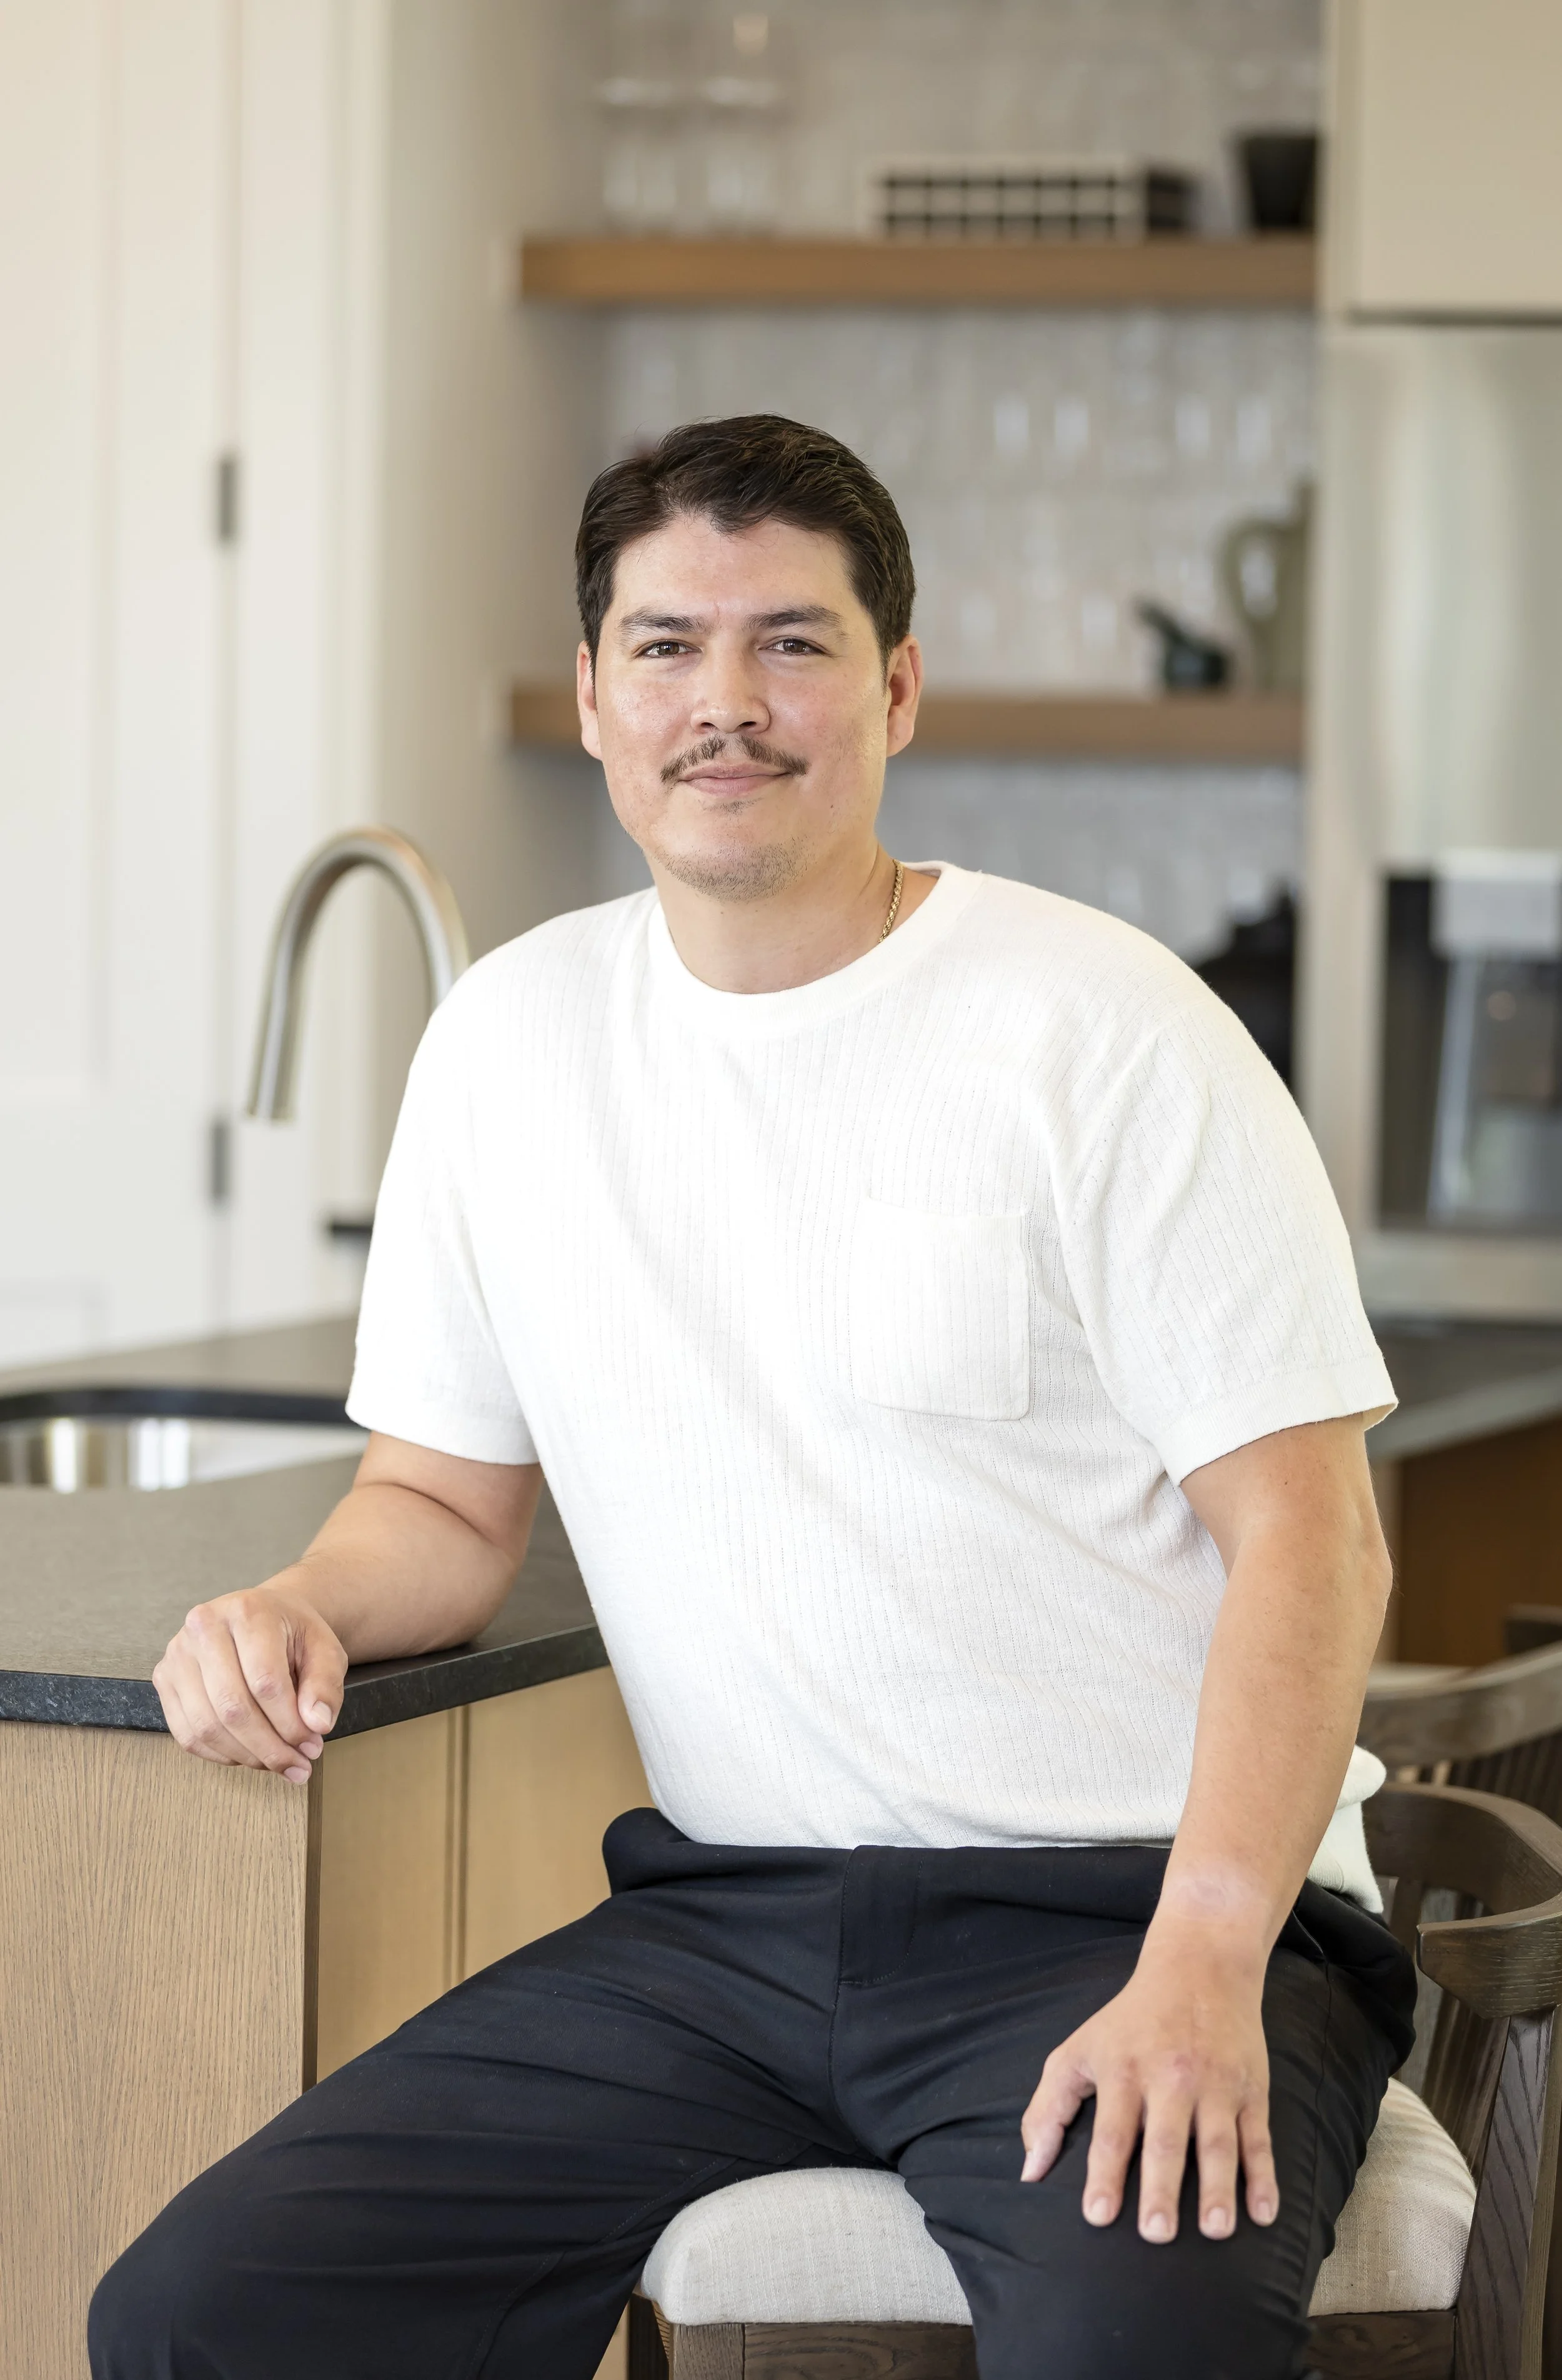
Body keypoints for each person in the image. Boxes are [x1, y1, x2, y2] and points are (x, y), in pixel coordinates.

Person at [90, 414, 1412, 2380]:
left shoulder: (1105, 1029)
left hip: (1124, 1907)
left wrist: (1205, 1958)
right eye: (666, 647)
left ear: (893, 689)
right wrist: (302, 1603)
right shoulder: (507, 1044)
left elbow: (1314, 1538)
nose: (726, 704)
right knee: (207, 2314)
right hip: (727, 1929)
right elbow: (440, 1512)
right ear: (594, 694)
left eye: (790, 645)